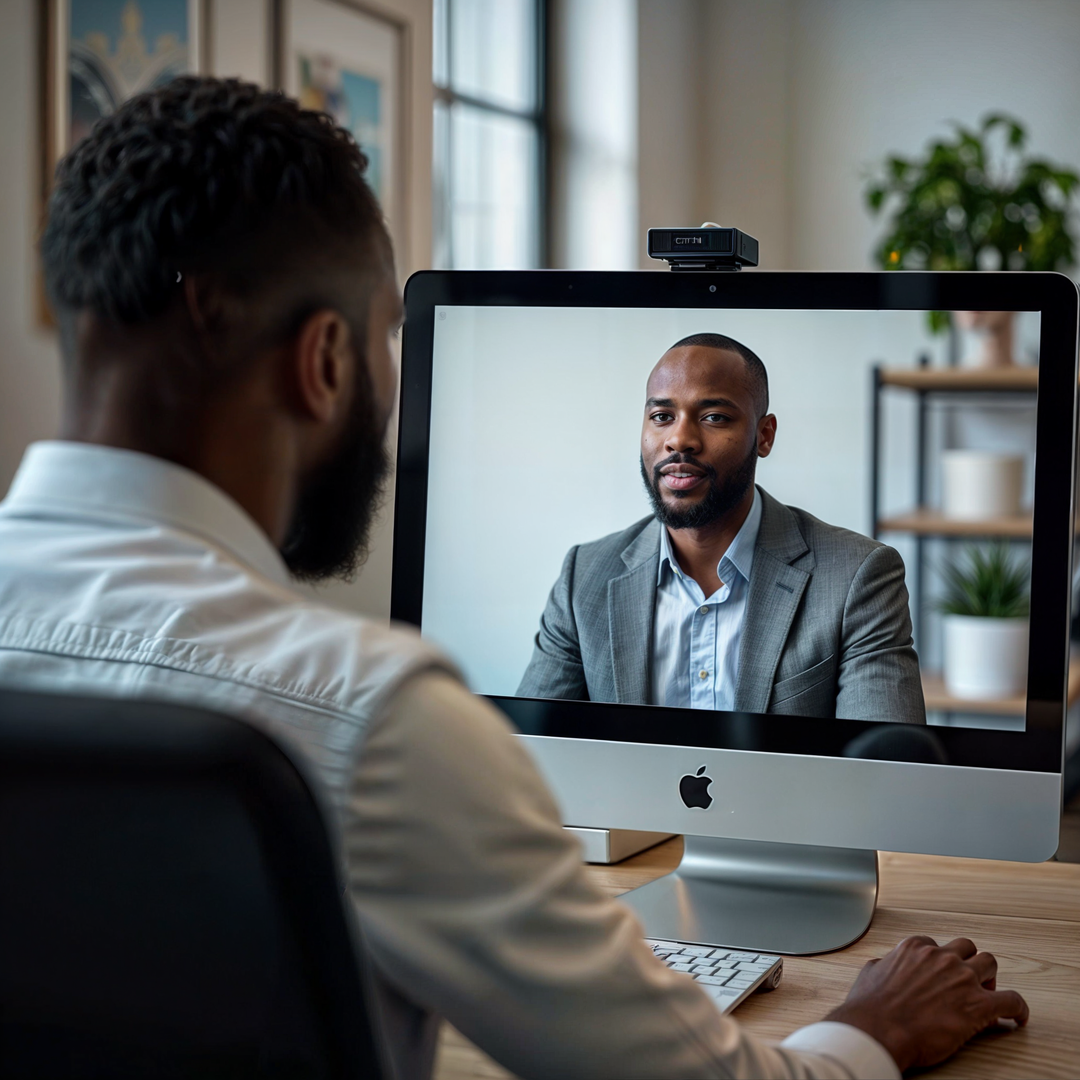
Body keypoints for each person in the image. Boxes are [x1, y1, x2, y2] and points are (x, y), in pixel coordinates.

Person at [0, 77, 1025, 1079]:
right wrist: (869, 1033)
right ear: (324, 362)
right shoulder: (378, 718)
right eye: (388, 339)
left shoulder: (849, 571)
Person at [518, 335, 927, 724]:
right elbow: (528, 754)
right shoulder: (584, 576)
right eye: (662, 416)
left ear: (764, 436)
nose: (680, 439)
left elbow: (884, 768)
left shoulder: (857, 575)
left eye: (714, 417)